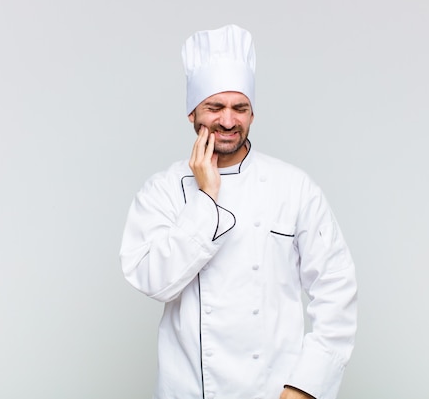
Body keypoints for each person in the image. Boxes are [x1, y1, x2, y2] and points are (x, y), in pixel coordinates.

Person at [120, 24, 358, 399]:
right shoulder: (162, 191)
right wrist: (207, 199)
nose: (228, 121)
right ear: (191, 114)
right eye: (215, 107)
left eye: (239, 108)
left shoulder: (293, 187)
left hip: (275, 391)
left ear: (251, 113)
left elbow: (336, 288)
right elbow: (154, 281)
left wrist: (305, 387)